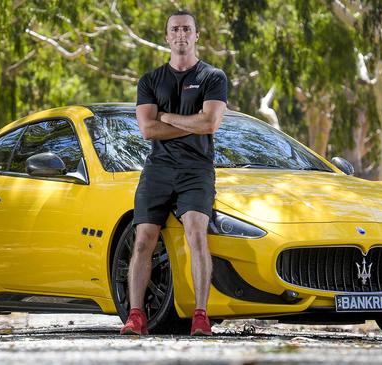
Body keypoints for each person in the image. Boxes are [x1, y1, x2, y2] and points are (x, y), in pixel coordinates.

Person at [120, 9, 227, 336]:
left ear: (196, 36)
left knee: (197, 233)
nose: (181, 35)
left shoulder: (213, 77)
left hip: (197, 169)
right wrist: (189, 122)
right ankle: (136, 316)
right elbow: (148, 130)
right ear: (167, 37)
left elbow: (210, 123)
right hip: (158, 170)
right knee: (143, 240)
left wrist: (167, 117)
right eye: (175, 29)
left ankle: (200, 316)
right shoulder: (150, 81)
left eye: (187, 29)